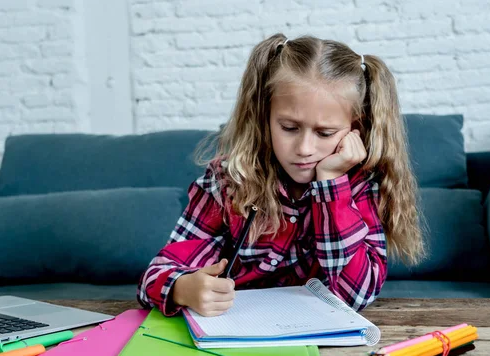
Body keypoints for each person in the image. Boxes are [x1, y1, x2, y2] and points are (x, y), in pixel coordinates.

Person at [137, 33, 424, 317]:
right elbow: (154, 276)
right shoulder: (228, 182)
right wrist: (182, 288)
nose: (304, 149)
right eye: (288, 127)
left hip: (317, 343)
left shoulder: (360, 187)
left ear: (355, 129)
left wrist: (331, 186)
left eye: (325, 133)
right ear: (265, 116)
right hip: (232, 331)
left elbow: (355, 295)